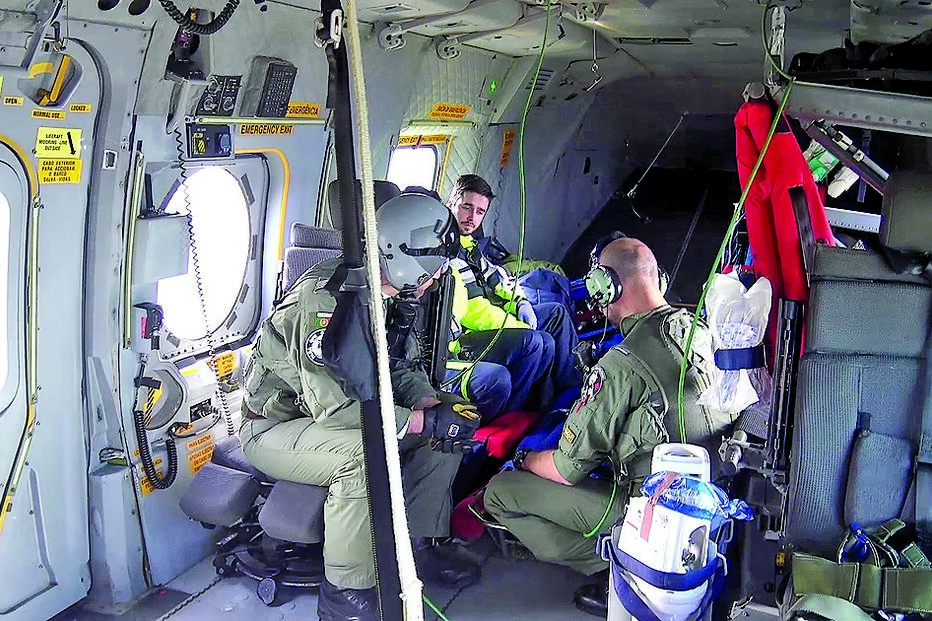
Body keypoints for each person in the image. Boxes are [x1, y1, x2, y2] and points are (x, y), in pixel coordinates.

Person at [239, 193, 484, 621]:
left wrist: (431, 403)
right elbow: (336, 412)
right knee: (362, 456)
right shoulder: (327, 302)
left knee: (446, 434)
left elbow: (397, 365)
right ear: (405, 257)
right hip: (276, 426)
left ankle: (415, 550)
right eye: (434, 265)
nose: (438, 274)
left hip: (330, 416)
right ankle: (345, 597)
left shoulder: (386, 292)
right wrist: (421, 421)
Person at [482, 237, 737, 617]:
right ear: (658, 279)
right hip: (710, 504)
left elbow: (566, 470)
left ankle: (616, 564)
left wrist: (525, 456)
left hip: (648, 515)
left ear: (606, 285)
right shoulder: (700, 329)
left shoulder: (621, 363)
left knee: (499, 493)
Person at [446, 174, 580, 403]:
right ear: (452, 203)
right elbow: (474, 312)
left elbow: (499, 277)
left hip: (496, 315)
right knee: (540, 340)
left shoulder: (469, 245)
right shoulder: (447, 250)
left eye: (480, 212)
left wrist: (520, 302)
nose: (472, 218)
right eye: (467, 207)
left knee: (556, 312)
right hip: (471, 334)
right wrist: (518, 325)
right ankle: (528, 406)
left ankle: (570, 388)